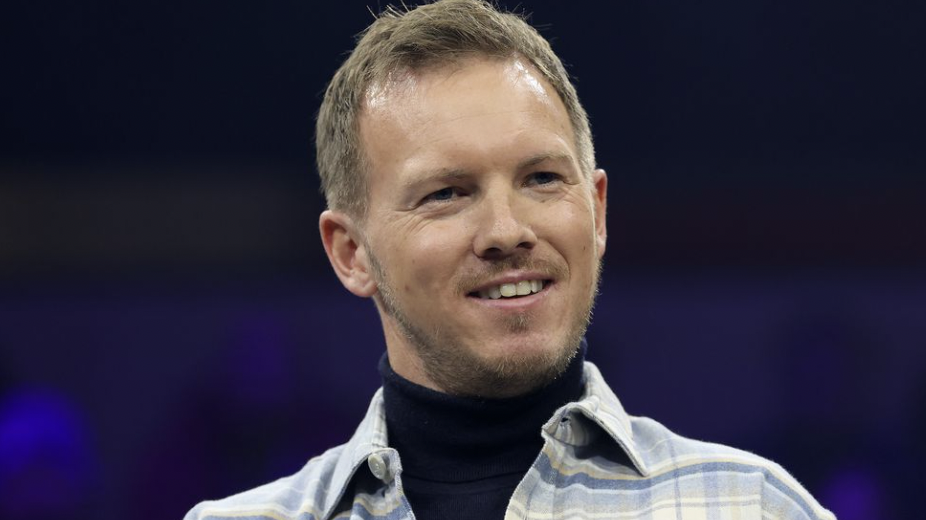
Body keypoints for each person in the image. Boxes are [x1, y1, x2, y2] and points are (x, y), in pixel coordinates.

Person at [185, 1, 835, 518]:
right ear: (351, 253)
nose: (506, 230)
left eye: (542, 179)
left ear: (597, 212)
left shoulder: (752, 507)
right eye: (447, 193)